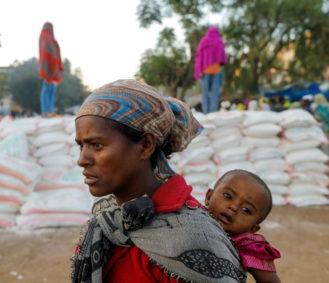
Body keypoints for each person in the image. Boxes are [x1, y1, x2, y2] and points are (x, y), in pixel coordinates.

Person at [71, 79, 246, 283]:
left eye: (97, 145)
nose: (82, 160)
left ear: (145, 145)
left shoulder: (192, 237)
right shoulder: (108, 218)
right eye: (80, 146)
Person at [205, 169, 282, 283]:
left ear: (252, 229)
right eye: (228, 196)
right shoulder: (189, 216)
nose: (234, 207)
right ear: (209, 197)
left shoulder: (247, 245)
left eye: (246, 210)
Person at [194, 26, 227, 114]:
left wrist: (199, 69)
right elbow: (222, 56)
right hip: (216, 70)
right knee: (215, 92)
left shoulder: (204, 40)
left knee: (205, 92)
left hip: (205, 70)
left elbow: (199, 56)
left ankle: (206, 111)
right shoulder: (219, 41)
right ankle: (212, 111)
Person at [38, 22, 64, 117]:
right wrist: (44, 68)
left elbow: (55, 53)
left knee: (52, 89)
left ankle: (51, 110)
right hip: (47, 66)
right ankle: (45, 111)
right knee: (46, 89)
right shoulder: (44, 36)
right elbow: (43, 52)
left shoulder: (52, 39)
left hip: (54, 67)